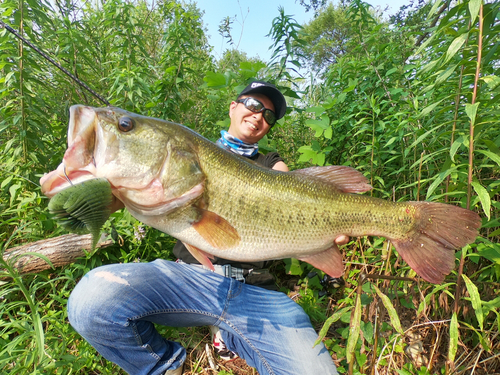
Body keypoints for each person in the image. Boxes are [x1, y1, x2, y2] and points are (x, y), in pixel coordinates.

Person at [67, 81, 346, 375]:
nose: (259, 115)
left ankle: (228, 334)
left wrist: (325, 230)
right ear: (233, 107)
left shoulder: (272, 165)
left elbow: (291, 194)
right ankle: (162, 364)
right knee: (91, 301)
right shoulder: (187, 151)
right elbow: (99, 203)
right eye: (253, 105)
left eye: (269, 115)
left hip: (257, 292)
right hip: (192, 281)